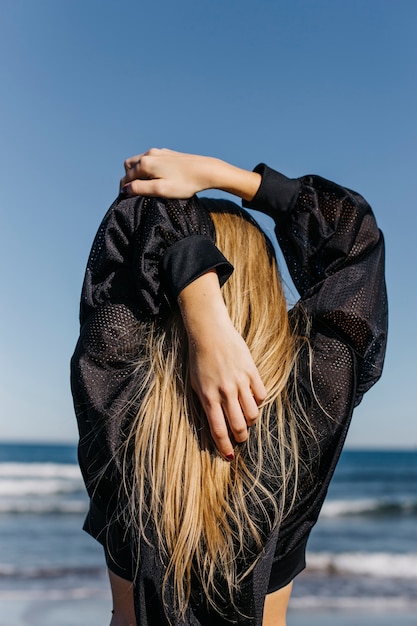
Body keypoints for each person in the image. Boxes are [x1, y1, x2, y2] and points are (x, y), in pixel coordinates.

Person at [71, 149, 387, 626]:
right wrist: (228, 178)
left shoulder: (117, 407)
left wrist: (202, 315)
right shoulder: (308, 403)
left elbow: (134, 215)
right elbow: (354, 240)